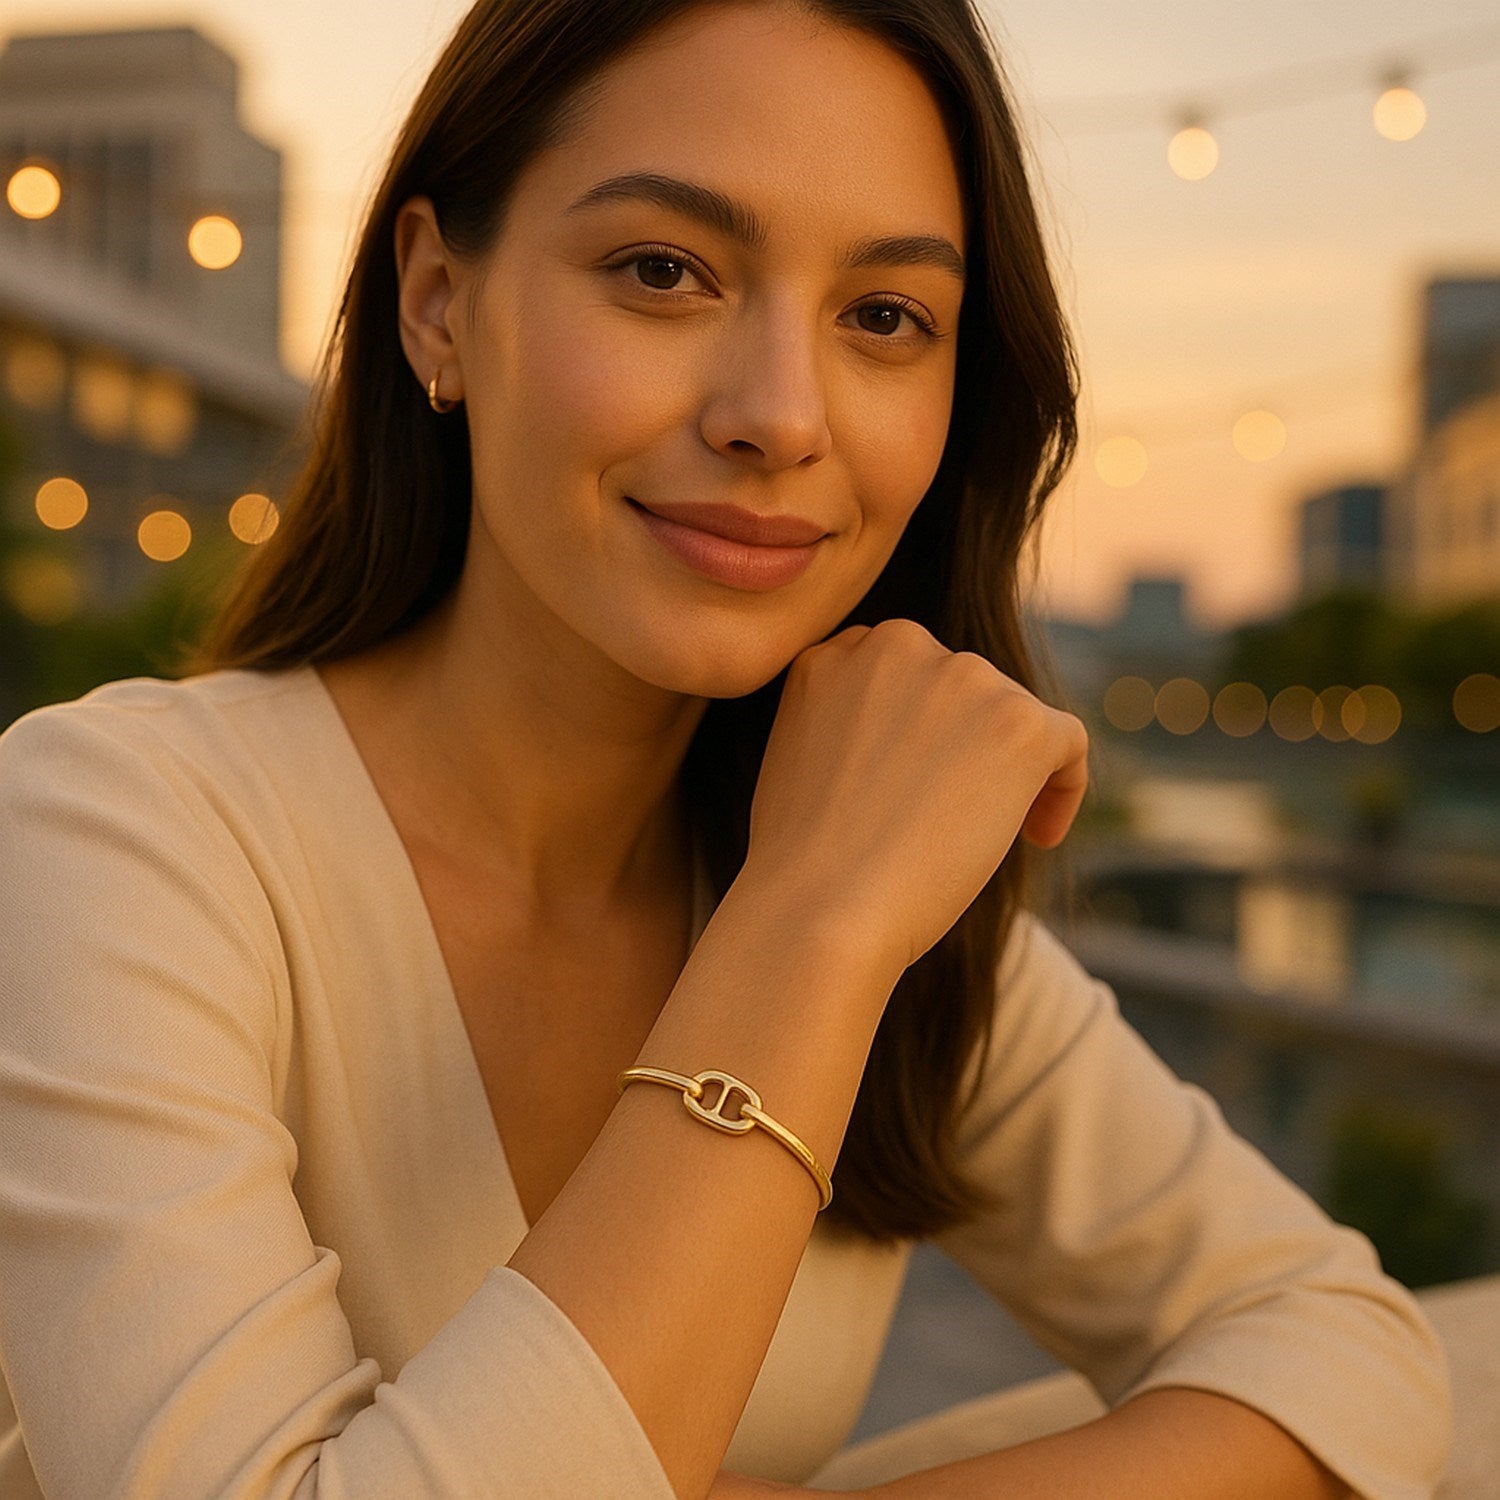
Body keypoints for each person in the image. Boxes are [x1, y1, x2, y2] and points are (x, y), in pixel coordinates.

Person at [0, 1, 1451, 1496]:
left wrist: (816, 907)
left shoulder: (858, 867)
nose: (781, 415)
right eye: (662, 272)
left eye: (885, 316)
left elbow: (1343, 1345)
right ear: (438, 302)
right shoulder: (119, 833)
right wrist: (808, 942)